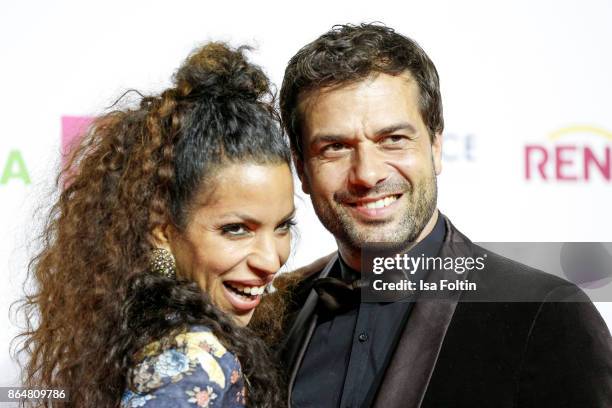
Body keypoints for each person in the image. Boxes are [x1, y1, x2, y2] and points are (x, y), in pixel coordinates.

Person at [277, 23, 612, 407]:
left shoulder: (544, 314)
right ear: (302, 169)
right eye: (335, 147)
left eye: (393, 139)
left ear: (436, 146)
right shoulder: (278, 313)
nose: (367, 174)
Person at [17, 43, 291, 407]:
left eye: (283, 226)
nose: (270, 260)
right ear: (161, 231)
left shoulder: (145, 329)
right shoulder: (194, 358)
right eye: (236, 229)